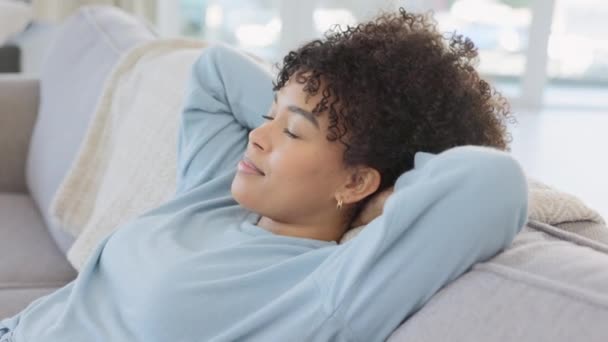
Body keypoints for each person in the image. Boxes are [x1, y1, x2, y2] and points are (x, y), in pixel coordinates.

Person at [0, 8, 528, 342]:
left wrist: (389, 168)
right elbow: (214, 74)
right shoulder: (217, 194)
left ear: (356, 182)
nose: (258, 136)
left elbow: (491, 183)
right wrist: (309, 107)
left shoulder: (327, 290)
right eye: (268, 115)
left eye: (292, 134)